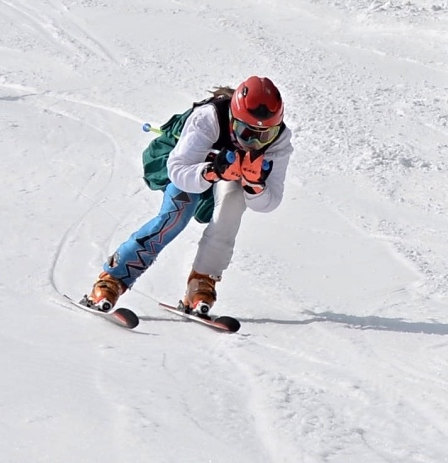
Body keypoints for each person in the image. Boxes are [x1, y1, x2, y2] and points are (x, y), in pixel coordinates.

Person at [85, 76, 293, 316]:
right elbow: (178, 170)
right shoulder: (208, 118)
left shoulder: (279, 140)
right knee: (177, 213)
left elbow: (270, 201)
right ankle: (114, 277)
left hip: (224, 175)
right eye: (245, 132)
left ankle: (202, 280)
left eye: (265, 135)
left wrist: (254, 186)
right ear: (232, 119)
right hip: (187, 167)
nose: (254, 143)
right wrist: (213, 171)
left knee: (233, 203)